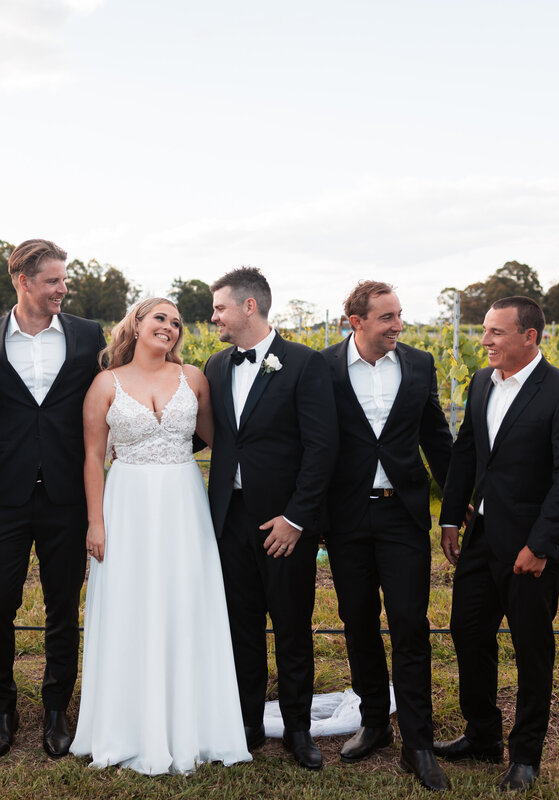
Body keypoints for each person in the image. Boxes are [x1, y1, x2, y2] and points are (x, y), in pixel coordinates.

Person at [71, 298, 252, 774]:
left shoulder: (193, 378)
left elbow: (223, 441)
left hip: (182, 502)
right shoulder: (104, 384)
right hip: (126, 503)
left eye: (176, 322)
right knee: (132, 604)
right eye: (160, 318)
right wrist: (96, 522)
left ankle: (193, 723)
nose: (170, 327)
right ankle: (129, 726)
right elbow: (93, 458)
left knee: (185, 601)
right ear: (136, 323)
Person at [434, 296, 559, 793]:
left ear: (530, 336)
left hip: (532, 549)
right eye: (485, 331)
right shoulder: (482, 382)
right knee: (467, 633)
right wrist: (450, 520)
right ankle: (482, 735)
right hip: (482, 539)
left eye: (496, 333)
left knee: (531, 650)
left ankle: (526, 755)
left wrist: (541, 545)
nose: (485, 341)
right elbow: (466, 452)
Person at [0, 239, 105, 758]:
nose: (62, 289)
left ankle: (55, 710)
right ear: (23, 281)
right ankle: (2, 708)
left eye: (63, 281)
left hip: (69, 495)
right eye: (52, 281)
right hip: (4, 493)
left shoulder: (89, 336)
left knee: (62, 606)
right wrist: (12, 439)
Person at [203, 267, 338, 770]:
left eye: (219, 307)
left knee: (291, 625)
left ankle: (299, 730)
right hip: (230, 519)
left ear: (249, 307)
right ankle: (248, 723)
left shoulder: (304, 363)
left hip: (284, 524)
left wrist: (297, 518)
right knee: (240, 625)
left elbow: (322, 446)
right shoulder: (217, 365)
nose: (213, 315)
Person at [321, 281, 453, 791]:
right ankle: (374, 720)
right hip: (345, 518)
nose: (398, 324)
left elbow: (436, 437)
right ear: (356, 321)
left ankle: (418, 743)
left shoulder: (418, 365)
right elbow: (314, 442)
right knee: (356, 620)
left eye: (399, 315)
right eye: (387, 317)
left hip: (403, 515)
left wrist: (457, 503)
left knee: (409, 624)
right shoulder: (324, 368)